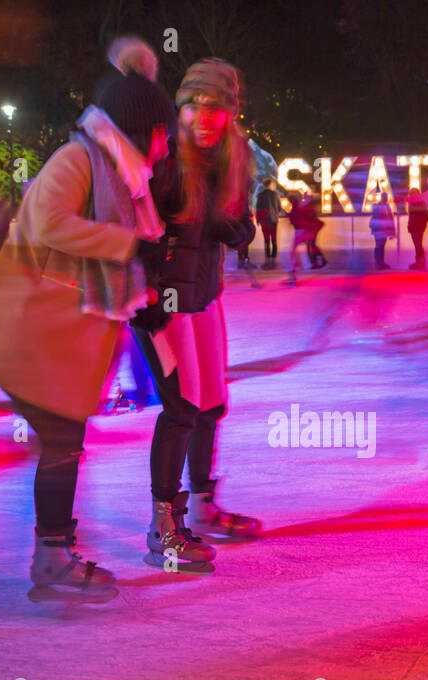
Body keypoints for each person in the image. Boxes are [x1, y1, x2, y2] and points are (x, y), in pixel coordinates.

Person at [0, 41, 170, 600]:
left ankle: (52, 556)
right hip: (28, 333)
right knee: (61, 442)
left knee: (64, 442)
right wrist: (129, 247)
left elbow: (118, 251)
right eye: (162, 131)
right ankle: (51, 559)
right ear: (139, 127)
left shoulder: (121, 179)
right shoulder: (78, 160)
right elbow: (49, 223)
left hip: (56, 339)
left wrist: (141, 291)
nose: (167, 145)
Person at [129, 57, 260, 574]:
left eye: (216, 108)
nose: (205, 117)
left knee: (210, 404)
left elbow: (238, 224)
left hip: (203, 296)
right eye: (195, 105)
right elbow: (135, 229)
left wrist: (238, 228)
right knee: (182, 408)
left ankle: (204, 507)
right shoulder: (162, 158)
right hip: (162, 303)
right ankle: (163, 527)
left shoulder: (229, 159)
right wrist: (151, 295)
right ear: (180, 106)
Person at [255, 177, 280, 267]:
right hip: (273, 220)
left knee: (266, 240)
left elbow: (258, 208)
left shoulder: (260, 195)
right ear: (271, 184)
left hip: (264, 220)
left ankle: (267, 259)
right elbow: (279, 207)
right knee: (274, 240)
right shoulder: (275, 194)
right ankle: (273, 260)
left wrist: (258, 220)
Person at [407, 186, 428, 269]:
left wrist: (423, 225)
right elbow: (411, 216)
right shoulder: (411, 204)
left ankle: (420, 262)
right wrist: (409, 226)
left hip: (419, 226)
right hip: (413, 226)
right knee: (417, 244)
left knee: (418, 244)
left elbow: (426, 215)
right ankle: (419, 261)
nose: (413, 194)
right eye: (411, 193)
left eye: (414, 192)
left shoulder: (422, 203)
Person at [369, 197, 395, 269]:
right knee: (379, 246)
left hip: (383, 230)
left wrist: (391, 232)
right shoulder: (381, 207)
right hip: (380, 229)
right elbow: (390, 219)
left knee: (381, 246)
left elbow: (390, 219)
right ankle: (379, 263)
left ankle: (380, 263)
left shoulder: (385, 207)